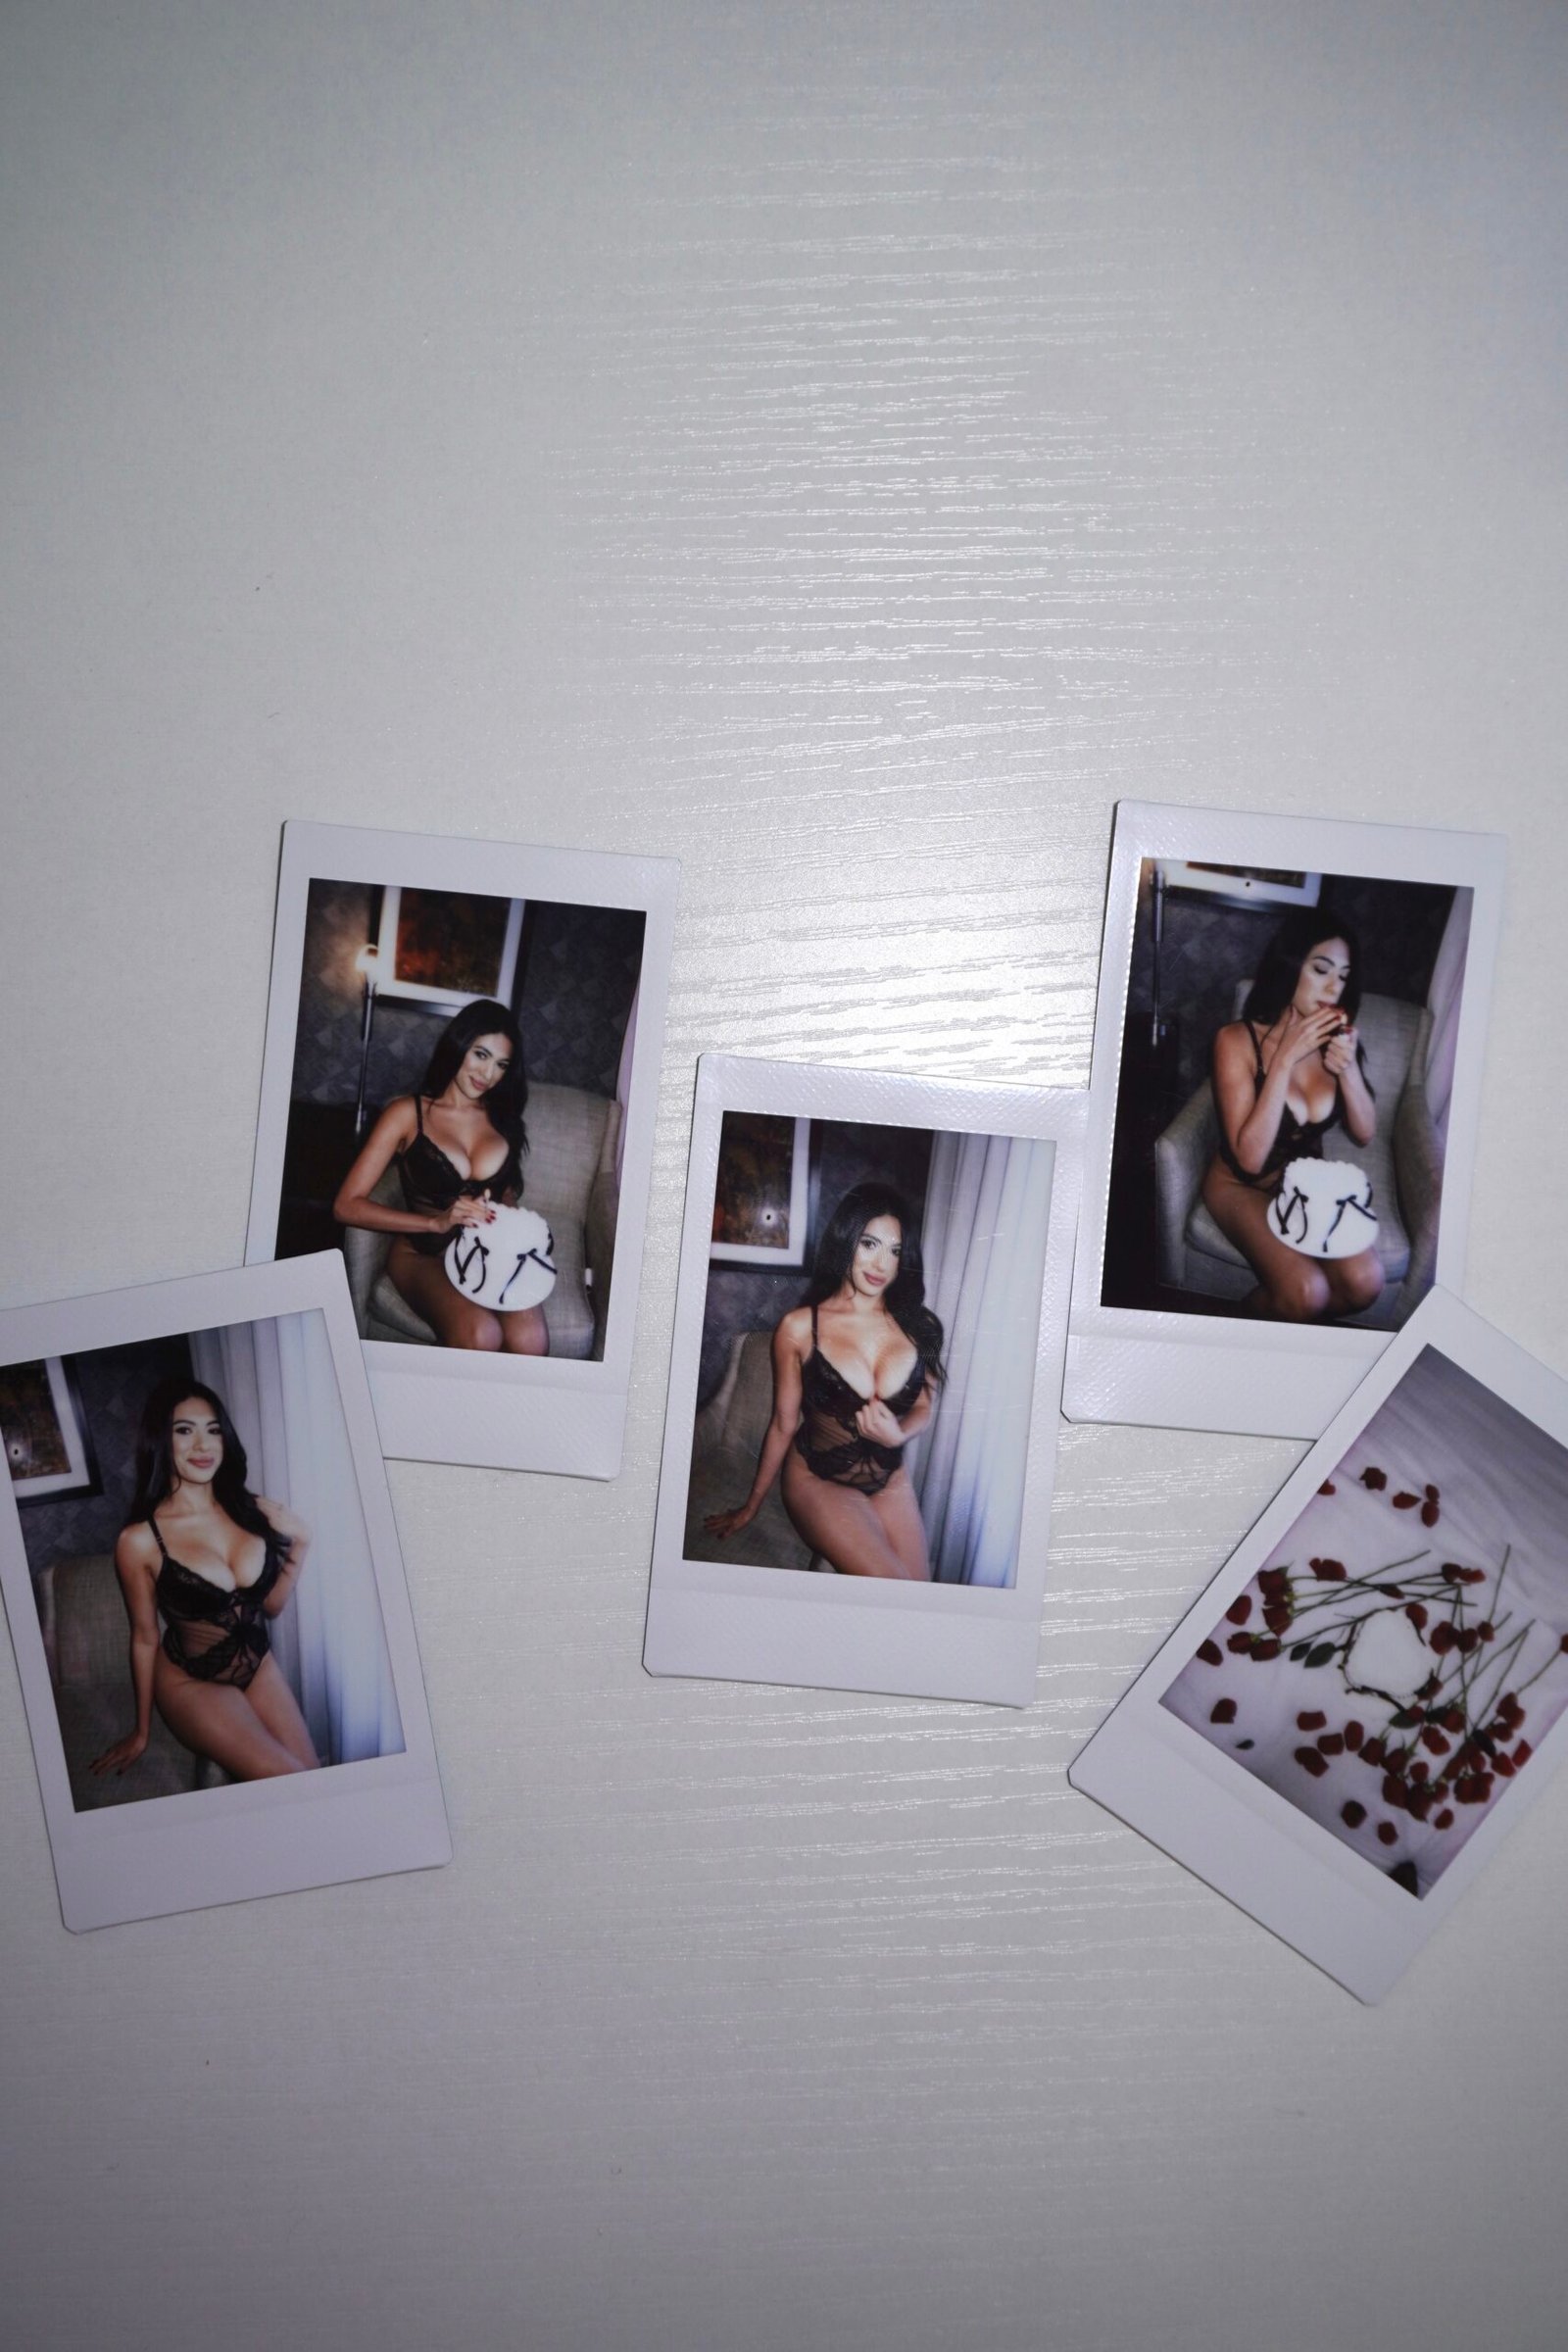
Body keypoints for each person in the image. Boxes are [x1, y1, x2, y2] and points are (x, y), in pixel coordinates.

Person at [705, 1182, 945, 1580]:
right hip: (818, 1478)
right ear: (846, 1240)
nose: (881, 1264)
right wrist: (751, 1506)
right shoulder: (799, 1328)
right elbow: (783, 1424)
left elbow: (923, 1405)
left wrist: (899, 1436)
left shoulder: (921, 1326)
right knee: (891, 1582)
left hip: (889, 1477)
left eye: (895, 1250)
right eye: (869, 1244)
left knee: (919, 1588)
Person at [91, 1380, 318, 1784]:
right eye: (184, 1430)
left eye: (213, 1430)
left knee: (313, 1776)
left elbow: (271, 1606)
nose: (203, 1445)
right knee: (288, 1777)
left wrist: (301, 1543)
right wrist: (141, 1731)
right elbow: (144, 1637)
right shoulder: (139, 1540)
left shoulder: (249, 1509)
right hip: (189, 1680)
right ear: (160, 1440)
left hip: (257, 1664)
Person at [332, 997, 547, 1354]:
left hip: (484, 1252)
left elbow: (506, 1189)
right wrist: (435, 1223)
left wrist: (505, 1216)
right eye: (481, 1055)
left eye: (501, 1065)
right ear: (457, 1046)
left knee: (532, 1338)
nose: (487, 1074)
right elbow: (345, 1206)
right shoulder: (407, 1113)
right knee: (482, 1334)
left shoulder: (503, 1118)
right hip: (422, 1254)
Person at [1200, 909, 1384, 1321]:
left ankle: (1278, 1320)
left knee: (1366, 1281)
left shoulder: (1337, 1038)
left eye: (1343, 976)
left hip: (1302, 1183)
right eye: (1321, 969)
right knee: (1306, 1292)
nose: (1334, 987)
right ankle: (1241, 1321)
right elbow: (1249, 1160)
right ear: (1290, 966)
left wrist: (1348, 1069)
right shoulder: (1235, 1040)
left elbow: (1365, 1133)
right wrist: (1284, 1059)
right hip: (1238, 1185)